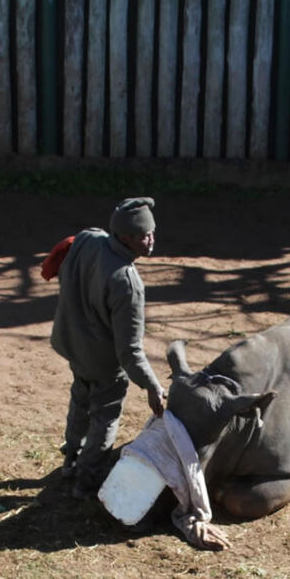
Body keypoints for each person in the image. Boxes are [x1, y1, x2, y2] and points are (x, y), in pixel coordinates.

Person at [49, 197, 168, 499]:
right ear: (124, 237)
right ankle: (87, 481)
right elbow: (129, 351)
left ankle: (70, 459)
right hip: (102, 363)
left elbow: (62, 261)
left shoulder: (89, 239)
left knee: (79, 400)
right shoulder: (127, 283)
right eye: (144, 236)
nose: (151, 240)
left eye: (152, 232)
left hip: (73, 345)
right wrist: (153, 386)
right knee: (105, 418)